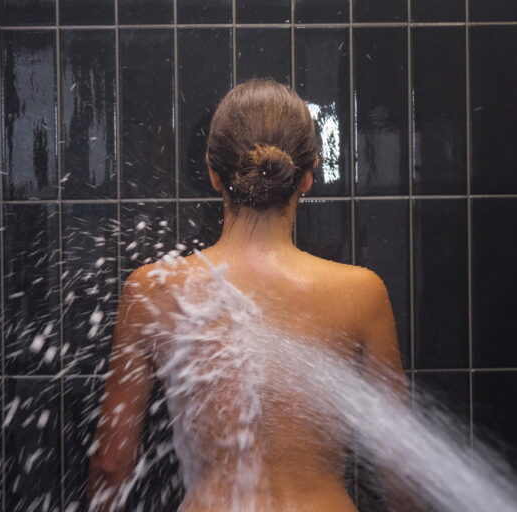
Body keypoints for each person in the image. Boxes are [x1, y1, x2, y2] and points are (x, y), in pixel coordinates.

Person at [87, 77, 408, 512]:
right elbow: (399, 469)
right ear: (309, 174)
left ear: (214, 173)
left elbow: (112, 464)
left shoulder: (153, 290)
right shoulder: (361, 293)